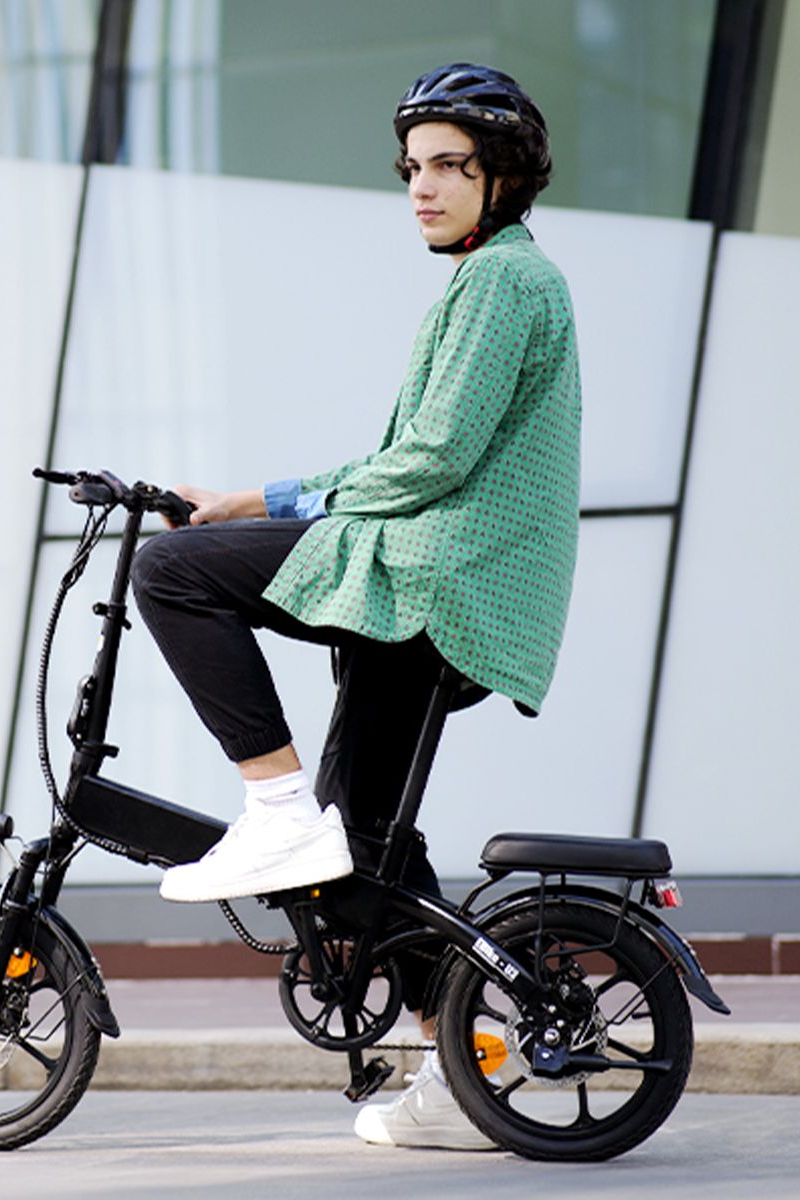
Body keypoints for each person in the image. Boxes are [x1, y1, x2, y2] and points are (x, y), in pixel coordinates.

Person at [129, 63, 580, 1149]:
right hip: (430, 579)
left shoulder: (506, 283)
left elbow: (429, 458)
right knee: (361, 847)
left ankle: (269, 810)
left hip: (436, 578)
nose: (421, 188)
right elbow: (405, 456)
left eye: (448, 168)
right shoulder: (489, 280)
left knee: (172, 573)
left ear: (503, 176)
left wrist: (254, 503)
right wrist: (256, 498)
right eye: (412, 169)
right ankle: (468, 1073)